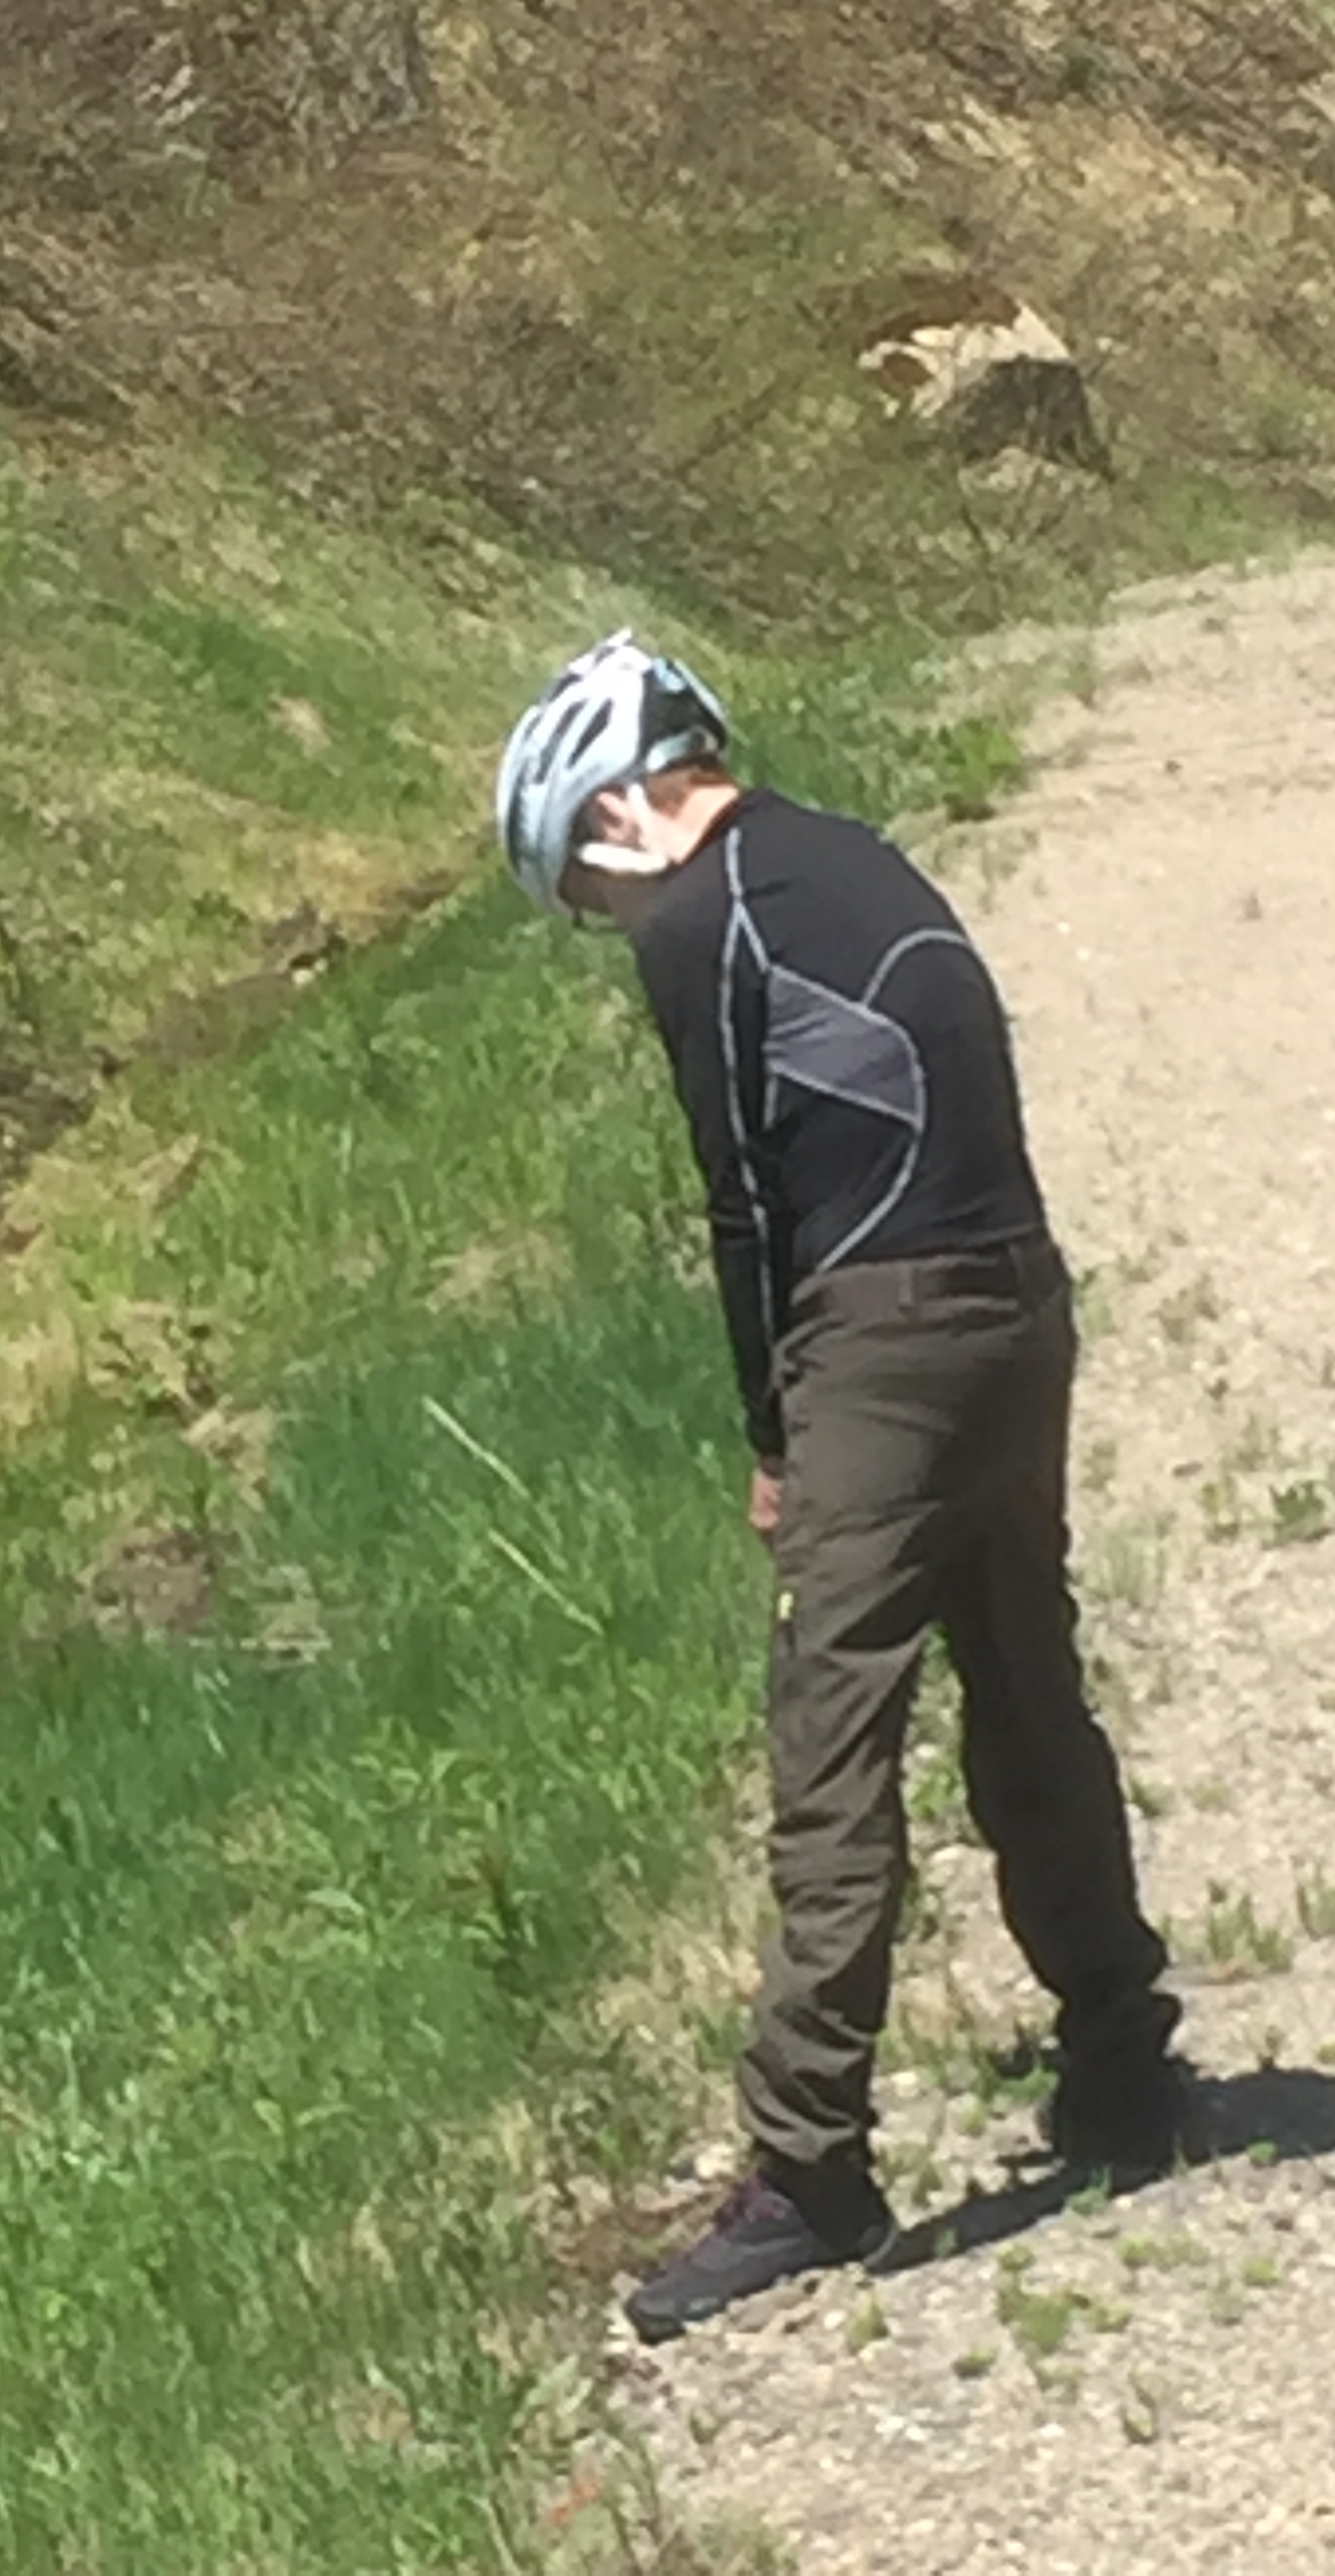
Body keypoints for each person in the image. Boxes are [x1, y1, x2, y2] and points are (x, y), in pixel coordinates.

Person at [495, 633, 1184, 2342]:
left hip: (881, 1339)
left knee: (831, 1746)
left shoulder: (704, 922)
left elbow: (744, 1203)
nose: (607, 921)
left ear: (623, 811)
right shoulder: (847, 856)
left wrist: (776, 1438)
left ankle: (810, 2169)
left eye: (586, 886)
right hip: (1016, 1300)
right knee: (1026, 1692)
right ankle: (1121, 2058)